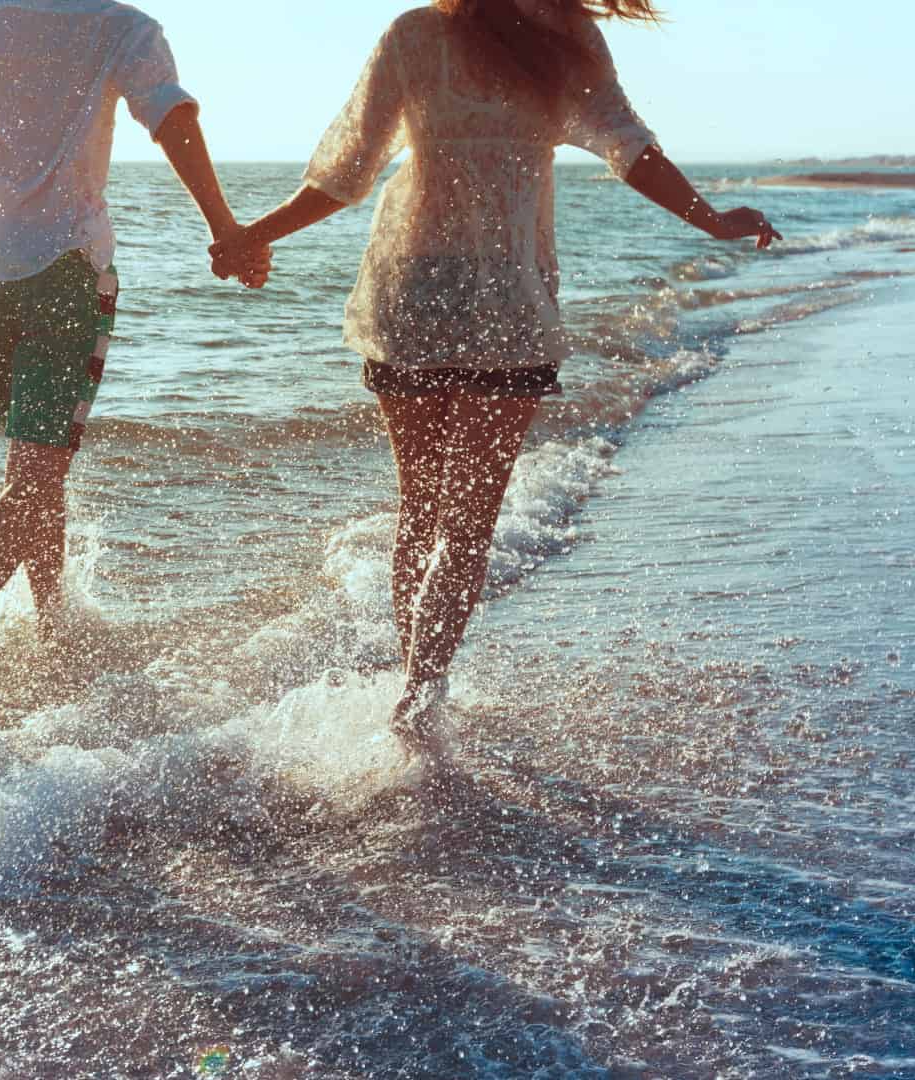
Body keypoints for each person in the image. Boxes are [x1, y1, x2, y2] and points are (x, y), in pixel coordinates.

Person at [208, 0, 780, 752]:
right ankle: (420, 693)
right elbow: (629, 149)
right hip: (505, 293)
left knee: (420, 510)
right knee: (467, 521)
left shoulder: (427, 33)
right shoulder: (561, 35)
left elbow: (348, 172)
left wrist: (254, 233)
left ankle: (414, 690)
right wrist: (707, 220)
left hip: (416, 286)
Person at [0, 0, 269, 688]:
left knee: (35, 468)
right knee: (37, 473)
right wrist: (225, 228)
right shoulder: (118, 27)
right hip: (67, 273)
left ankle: (52, 621)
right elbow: (171, 116)